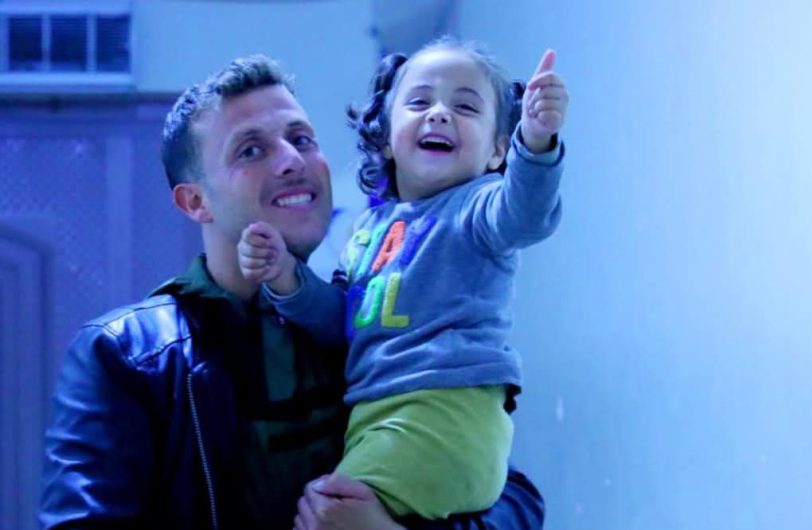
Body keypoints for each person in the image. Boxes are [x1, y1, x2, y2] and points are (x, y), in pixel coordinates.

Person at [39, 54, 545, 529]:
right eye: (251, 150)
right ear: (195, 202)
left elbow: (514, 500)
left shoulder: (373, 316)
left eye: (301, 139)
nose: (291, 161)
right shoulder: (126, 355)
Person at [237, 38, 567, 520]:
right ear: (388, 138)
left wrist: (535, 145)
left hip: (443, 414)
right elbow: (340, 323)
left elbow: (526, 213)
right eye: (419, 101)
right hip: (379, 420)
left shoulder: (477, 208)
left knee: (327, 513)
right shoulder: (369, 230)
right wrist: (286, 275)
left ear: (498, 150)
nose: (439, 114)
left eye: (465, 107)